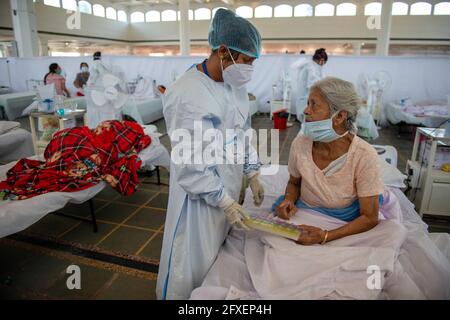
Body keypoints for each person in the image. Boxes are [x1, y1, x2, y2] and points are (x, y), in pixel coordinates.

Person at [156, 8, 265, 300]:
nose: (249, 68)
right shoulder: (188, 94)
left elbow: (241, 131)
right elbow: (191, 166)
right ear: (223, 51)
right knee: (192, 265)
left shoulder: (234, 85)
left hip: (226, 186)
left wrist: (252, 170)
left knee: (219, 258)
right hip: (199, 199)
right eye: (246, 60)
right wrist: (224, 200)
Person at [275, 77, 384, 245]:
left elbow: (369, 217)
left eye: (313, 104)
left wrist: (325, 236)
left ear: (339, 116)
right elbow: (294, 183)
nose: (306, 110)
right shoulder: (301, 143)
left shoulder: (364, 155)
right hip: (304, 213)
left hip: (344, 225)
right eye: (307, 103)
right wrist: (289, 199)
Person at [290, 48, 328, 121]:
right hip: (306, 98)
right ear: (321, 60)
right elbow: (312, 84)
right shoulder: (311, 67)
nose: (323, 64)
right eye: (324, 61)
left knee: (307, 121)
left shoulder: (314, 66)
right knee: (307, 120)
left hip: (307, 98)